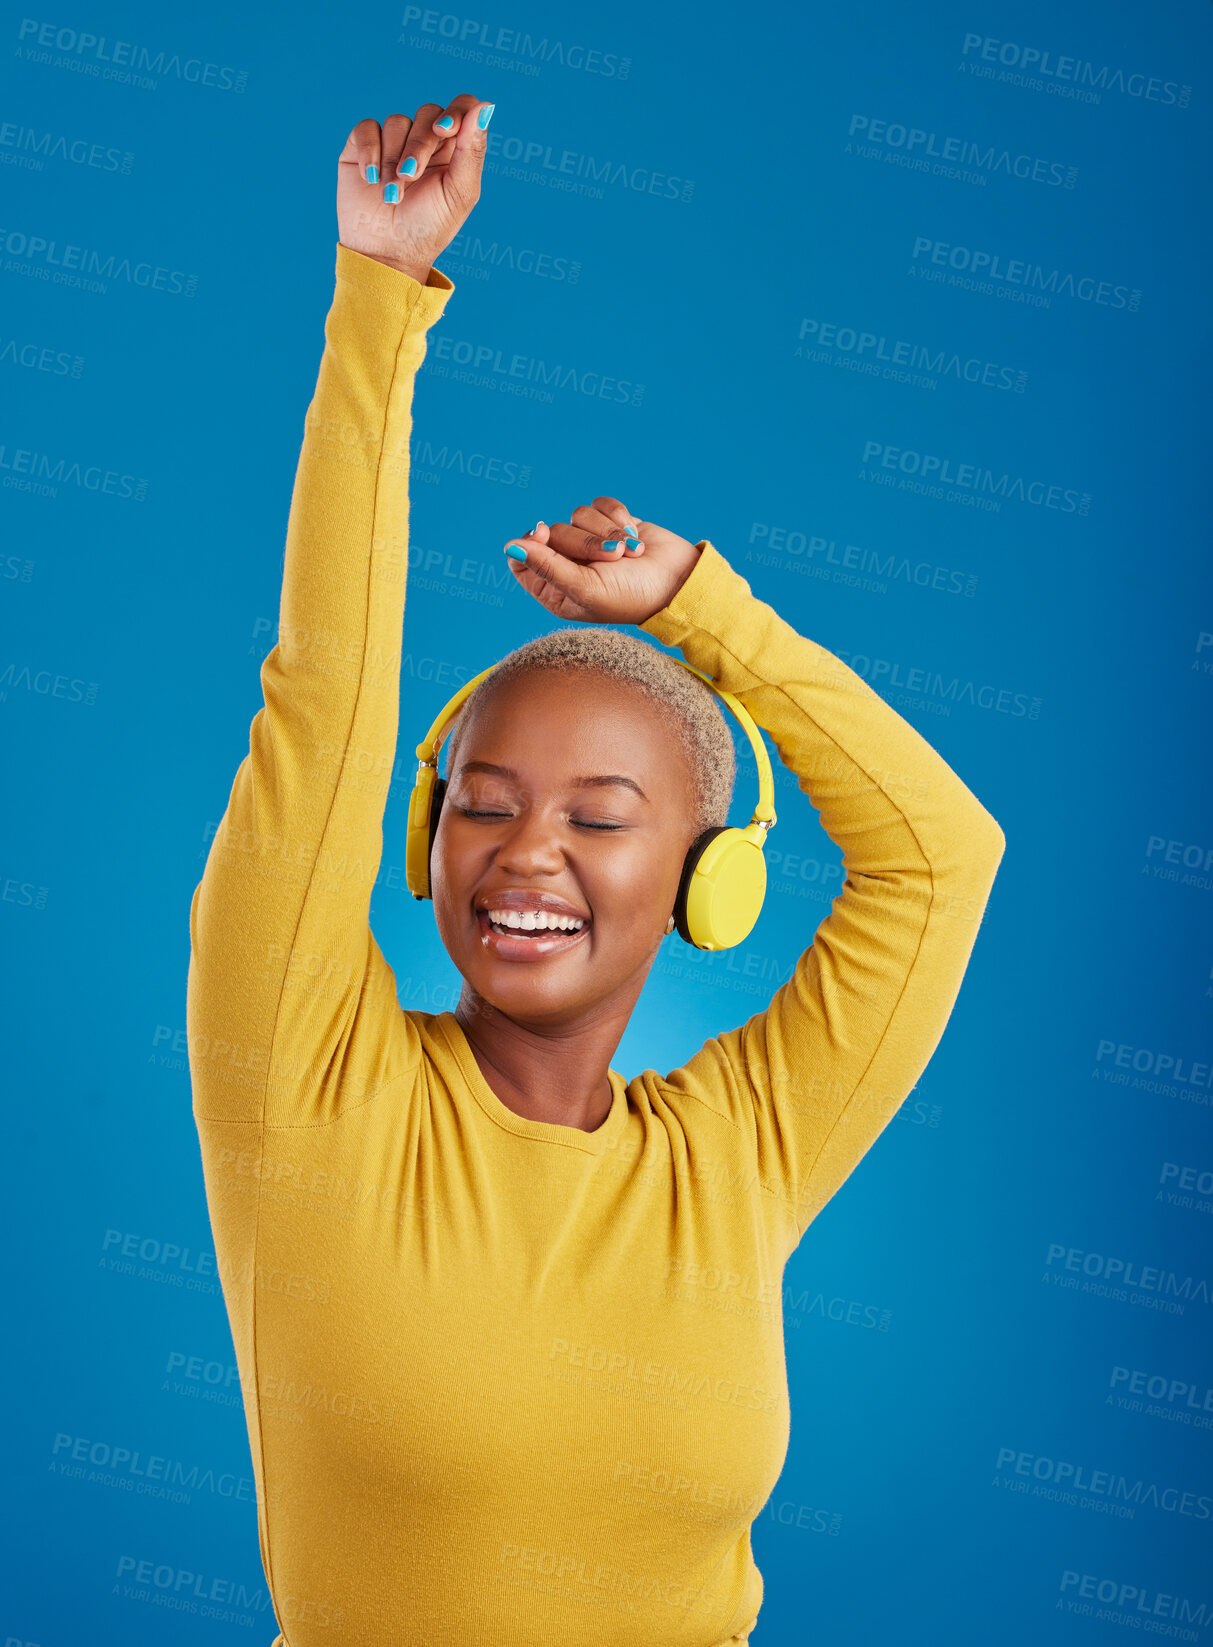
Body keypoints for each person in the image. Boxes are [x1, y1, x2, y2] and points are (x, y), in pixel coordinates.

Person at [187, 93, 1005, 1647]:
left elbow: (941, 857)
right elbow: (326, 701)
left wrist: (706, 611)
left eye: (599, 814)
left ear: (712, 881)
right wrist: (381, 300)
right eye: (482, 805)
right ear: (425, 840)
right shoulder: (306, 1083)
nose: (526, 853)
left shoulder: (740, 1154)